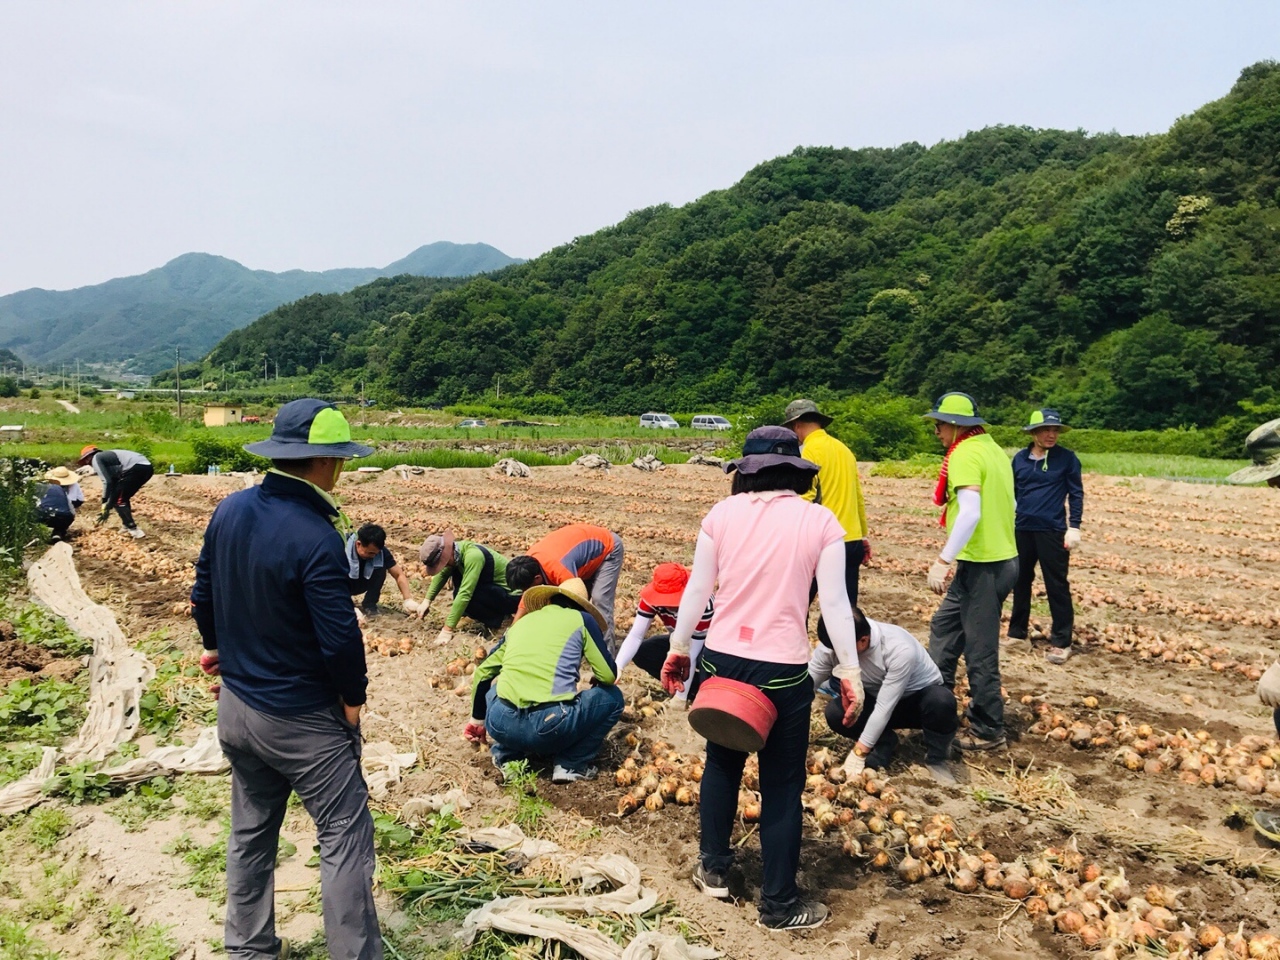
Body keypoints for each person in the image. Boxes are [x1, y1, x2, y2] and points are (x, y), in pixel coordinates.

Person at [190, 398, 382, 960]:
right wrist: (353, 700)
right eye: (339, 458)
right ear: (325, 462)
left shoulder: (231, 508)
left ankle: (247, 949)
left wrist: (217, 648)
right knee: (344, 832)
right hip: (298, 718)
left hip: (237, 709)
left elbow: (203, 593)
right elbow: (339, 638)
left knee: (250, 832)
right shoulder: (315, 535)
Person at [661, 425, 864, 932]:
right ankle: (778, 904)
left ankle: (713, 869)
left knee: (722, 763)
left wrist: (679, 647)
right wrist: (849, 669)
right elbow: (836, 603)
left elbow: (698, 589)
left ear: (746, 471)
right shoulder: (820, 521)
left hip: (723, 660)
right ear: (796, 471)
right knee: (782, 785)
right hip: (782, 670)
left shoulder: (722, 514)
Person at [922, 392, 1017, 752]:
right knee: (944, 629)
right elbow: (1011, 503)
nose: (936, 432)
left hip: (985, 567)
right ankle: (936, 704)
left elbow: (971, 512)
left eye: (939, 425)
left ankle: (988, 728)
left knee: (980, 650)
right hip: (991, 561)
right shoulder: (992, 449)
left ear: (955, 425)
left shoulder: (964, 453)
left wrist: (943, 559)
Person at [463, 577, 623, 783]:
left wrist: (477, 720)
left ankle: (508, 758)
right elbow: (609, 676)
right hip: (549, 727)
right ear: (582, 607)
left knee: (496, 689)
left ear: (548, 601)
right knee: (613, 698)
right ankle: (570, 764)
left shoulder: (522, 623)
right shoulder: (582, 619)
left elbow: (483, 673)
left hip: (500, 723)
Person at [809, 607, 958, 784]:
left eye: (842, 651)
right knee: (835, 712)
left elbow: (884, 707)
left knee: (941, 701)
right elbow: (807, 685)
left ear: (863, 641)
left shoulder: (898, 649)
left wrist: (859, 753)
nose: (837, 655)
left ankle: (937, 757)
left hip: (915, 703)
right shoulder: (833, 645)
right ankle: (885, 742)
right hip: (875, 697)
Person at [782, 399, 872, 642]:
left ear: (797, 426)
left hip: (823, 543)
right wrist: (863, 536)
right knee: (847, 613)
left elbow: (805, 497)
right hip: (851, 540)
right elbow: (858, 496)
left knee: (797, 604)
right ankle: (847, 660)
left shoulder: (809, 451)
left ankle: (794, 653)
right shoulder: (844, 450)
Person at [1008, 409, 1084, 664]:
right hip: (1022, 528)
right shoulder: (1020, 459)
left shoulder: (1067, 459)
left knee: (1056, 585)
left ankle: (1062, 641)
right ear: (1033, 433)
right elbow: (1012, 493)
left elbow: (1076, 493)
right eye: (1045, 430)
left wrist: (1074, 526)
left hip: (1052, 530)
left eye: (1055, 430)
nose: (1051, 435)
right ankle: (1017, 633)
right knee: (1020, 581)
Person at [506, 524, 625, 650]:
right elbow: (527, 597)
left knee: (600, 600)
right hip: (582, 557)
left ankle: (607, 652)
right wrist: (513, 628)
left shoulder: (559, 569)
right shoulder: (527, 564)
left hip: (608, 548)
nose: (524, 592)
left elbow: (575, 602)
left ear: (537, 578)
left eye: (525, 588)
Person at [614, 562, 714, 695]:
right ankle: (693, 691)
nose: (668, 605)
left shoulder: (703, 603)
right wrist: (618, 666)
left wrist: (680, 699)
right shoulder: (651, 599)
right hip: (679, 642)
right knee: (643, 652)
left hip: (708, 644)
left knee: (707, 663)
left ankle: (707, 692)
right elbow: (636, 635)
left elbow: (692, 653)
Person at [416, 532, 521, 645]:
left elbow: (465, 593)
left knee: (469, 592)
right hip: (494, 592)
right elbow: (442, 575)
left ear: (447, 553)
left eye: (442, 563)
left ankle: (502, 621)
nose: (443, 566)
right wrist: (427, 600)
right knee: (457, 576)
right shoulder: (456, 553)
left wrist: (447, 630)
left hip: (512, 597)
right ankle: (472, 615)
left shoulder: (473, 556)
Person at [78, 444, 153, 538]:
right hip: (147, 468)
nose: (87, 463)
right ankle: (126, 524)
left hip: (136, 468)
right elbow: (114, 482)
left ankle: (133, 529)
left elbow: (107, 482)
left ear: (89, 457)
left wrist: (105, 500)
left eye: (86, 460)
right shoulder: (108, 460)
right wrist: (110, 501)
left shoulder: (96, 458)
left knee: (118, 500)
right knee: (122, 497)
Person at [345, 523, 415, 618]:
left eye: (376, 553)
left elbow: (399, 574)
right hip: (342, 584)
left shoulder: (381, 552)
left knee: (381, 567)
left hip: (362, 583)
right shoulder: (342, 547)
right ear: (358, 544)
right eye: (370, 553)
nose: (373, 556)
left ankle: (370, 604)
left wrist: (408, 600)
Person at [35, 466, 85, 541]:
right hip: (65, 515)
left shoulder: (44, 486)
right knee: (65, 514)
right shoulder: (72, 486)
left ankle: (39, 533)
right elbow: (71, 502)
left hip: (45, 513)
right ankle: (58, 532)